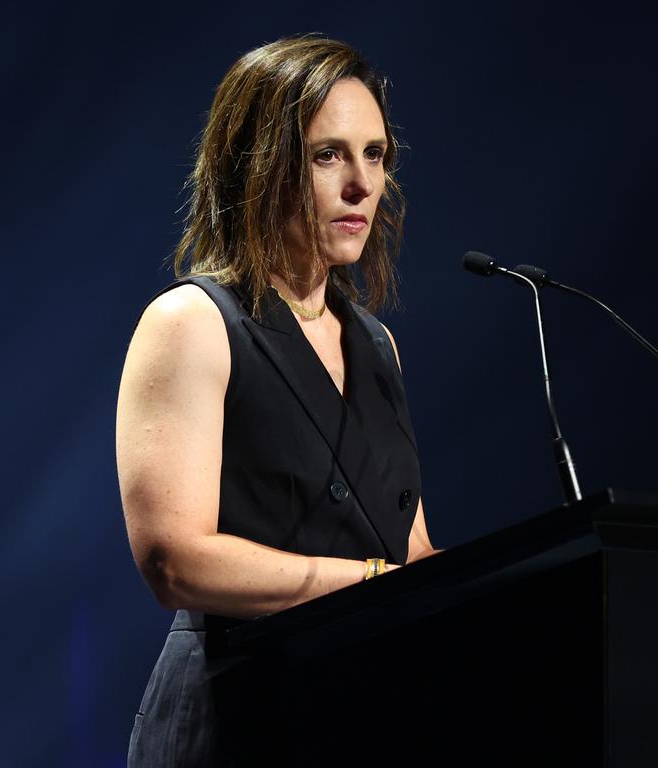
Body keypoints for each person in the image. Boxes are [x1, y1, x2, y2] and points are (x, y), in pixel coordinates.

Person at [115, 34, 440, 767]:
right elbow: (174, 559)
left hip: (360, 713)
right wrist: (367, 585)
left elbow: (409, 549)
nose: (361, 184)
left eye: (376, 155)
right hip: (236, 721)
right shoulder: (193, 325)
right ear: (259, 163)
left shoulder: (377, 346)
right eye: (328, 155)